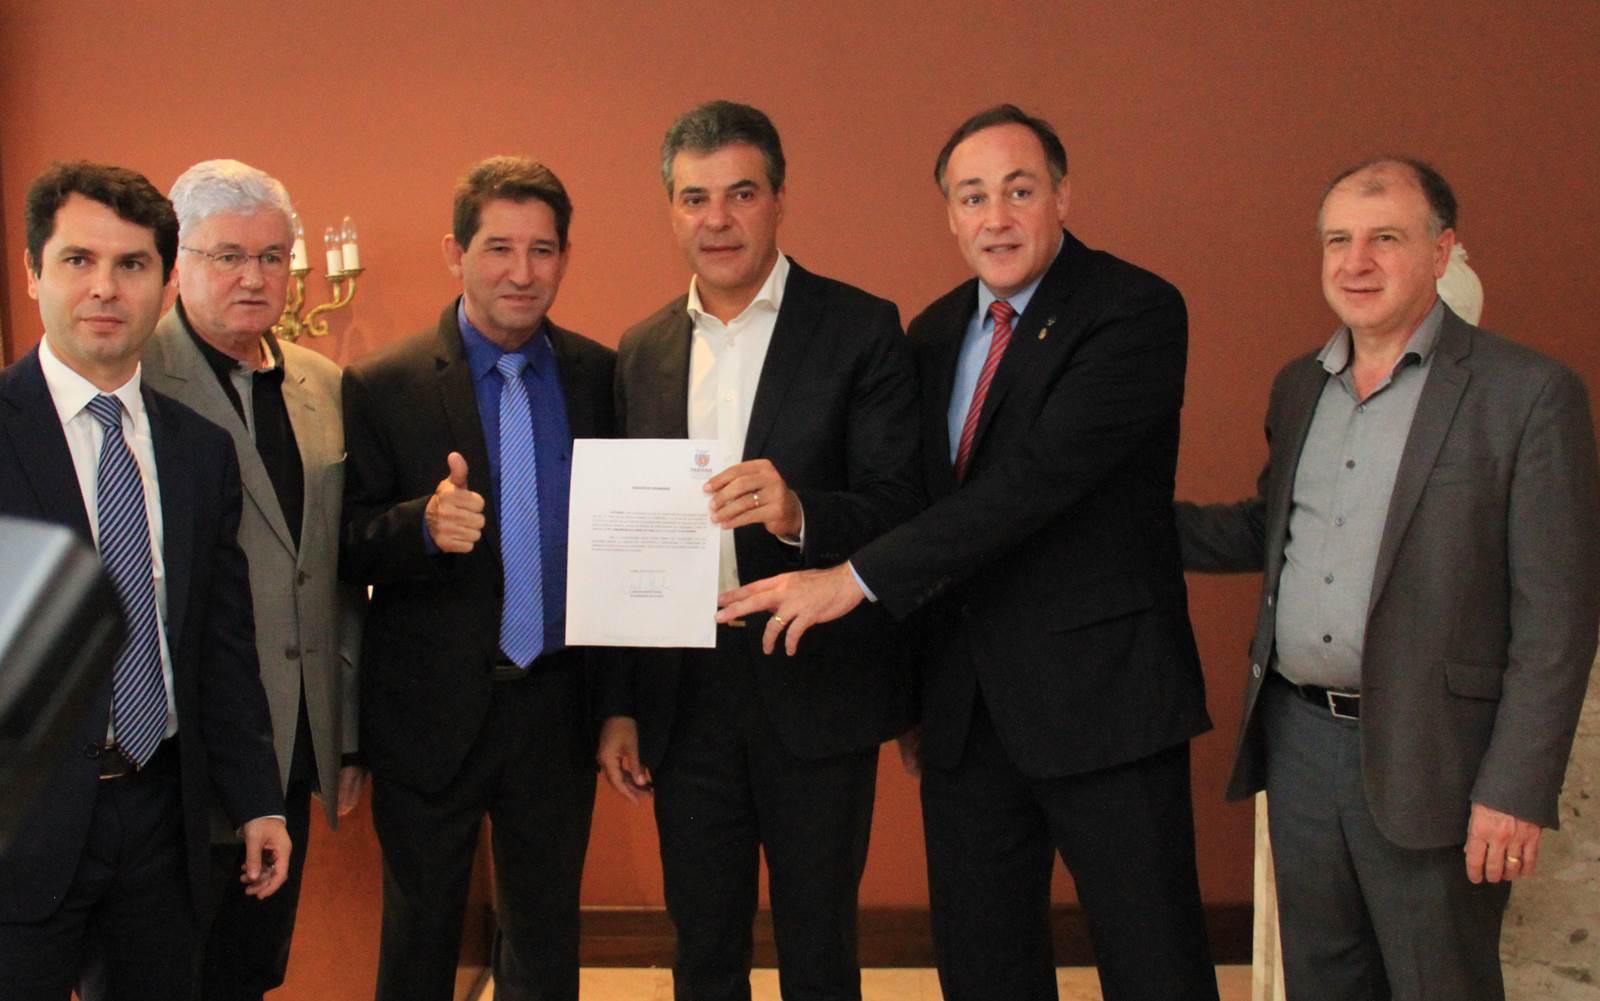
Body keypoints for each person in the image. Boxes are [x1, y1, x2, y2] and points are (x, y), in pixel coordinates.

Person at [718, 105, 1218, 1001]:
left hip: (1104, 701)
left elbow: (1028, 486)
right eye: (972, 196)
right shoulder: (934, 333)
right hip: (965, 714)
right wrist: (906, 677)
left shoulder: (1134, 310)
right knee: (984, 970)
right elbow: (911, 505)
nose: (996, 218)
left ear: (1062, 196)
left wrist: (854, 580)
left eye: (1019, 191)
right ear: (949, 215)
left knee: (1155, 967)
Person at [1175, 157, 1600, 999]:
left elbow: (1558, 617)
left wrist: (1515, 789)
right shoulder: (1301, 386)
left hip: (1437, 758)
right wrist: (1117, 527)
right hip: (1299, 745)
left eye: (1385, 239)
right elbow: (1274, 528)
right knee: (1323, 982)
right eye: (1338, 240)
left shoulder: (1528, 394)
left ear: (1442, 251)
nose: (1356, 262)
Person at [594, 100, 921, 1001]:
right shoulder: (641, 350)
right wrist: (619, 703)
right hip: (687, 688)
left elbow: (904, 505)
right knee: (703, 947)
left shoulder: (859, 328)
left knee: (820, 948)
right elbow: (621, 551)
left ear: (779, 199)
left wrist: (799, 512)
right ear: (670, 210)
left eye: (740, 194)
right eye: (694, 198)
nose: (718, 219)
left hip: (817, 673)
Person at [0, 161, 288, 1000]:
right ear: (33, 272)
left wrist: (258, 799)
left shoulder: (200, 450)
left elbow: (221, 644)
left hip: (161, 818)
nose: (104, 287)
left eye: (131, 264)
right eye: (78, 260)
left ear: (164, 283)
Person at [341, 155, 613, 1001]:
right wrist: (418, 527)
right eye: (499, 247)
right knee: (420, 939)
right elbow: (346, 545)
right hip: (428, 714)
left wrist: (622, 703)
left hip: (557, 706)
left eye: (542, 249)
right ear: (455, 253)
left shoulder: (602, 376)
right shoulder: (382, 384)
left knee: (546, 937)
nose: (521, 272)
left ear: (564, 257)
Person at [140, 158, 364, 1001]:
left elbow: (331, 573)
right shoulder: (134, 378)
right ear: (178, 261)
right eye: (227, 255)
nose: (254, 277)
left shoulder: (322, 383)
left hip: (292, 741)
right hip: (175, 750)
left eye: (272, 257)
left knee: (252, 968)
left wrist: (344, 734)